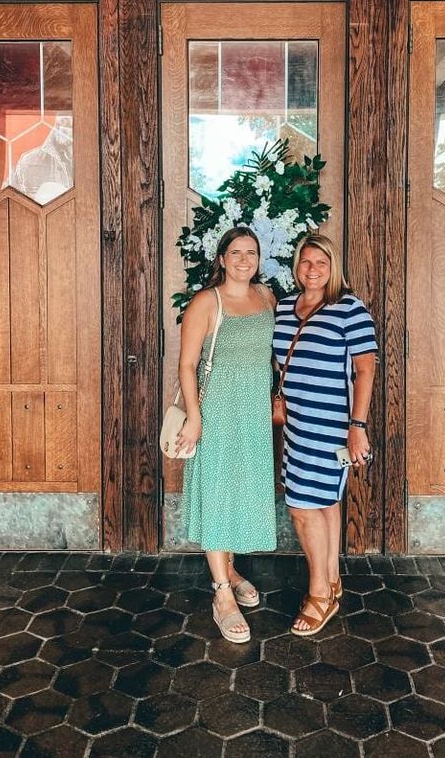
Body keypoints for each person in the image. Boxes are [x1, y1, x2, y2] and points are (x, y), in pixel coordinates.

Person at [177, 226, 277, 643]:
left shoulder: (267, 297)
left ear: (258, 259)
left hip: (253, 413)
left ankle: (231, 569)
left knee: (240, 489)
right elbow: (186, 366)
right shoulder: (207, 301)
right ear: (221, 258)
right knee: (219, 491)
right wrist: (195, 419)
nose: (243, 260)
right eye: (235, 252)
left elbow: (276, 353)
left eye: (250, 252)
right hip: (217, 412)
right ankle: (221, 593)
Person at [273, 234, 377, 636]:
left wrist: (358, 427)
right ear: (296, 267)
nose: (312, 270)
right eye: (305, 262)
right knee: (324, 504)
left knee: (302, 506)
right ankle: (331, 583)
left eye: (321, 263)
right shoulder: (284, 307)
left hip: (332, 425)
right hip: (297, 423)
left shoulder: (349, 308)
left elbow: (365, 370)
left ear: (333, 267)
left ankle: (318, 593)